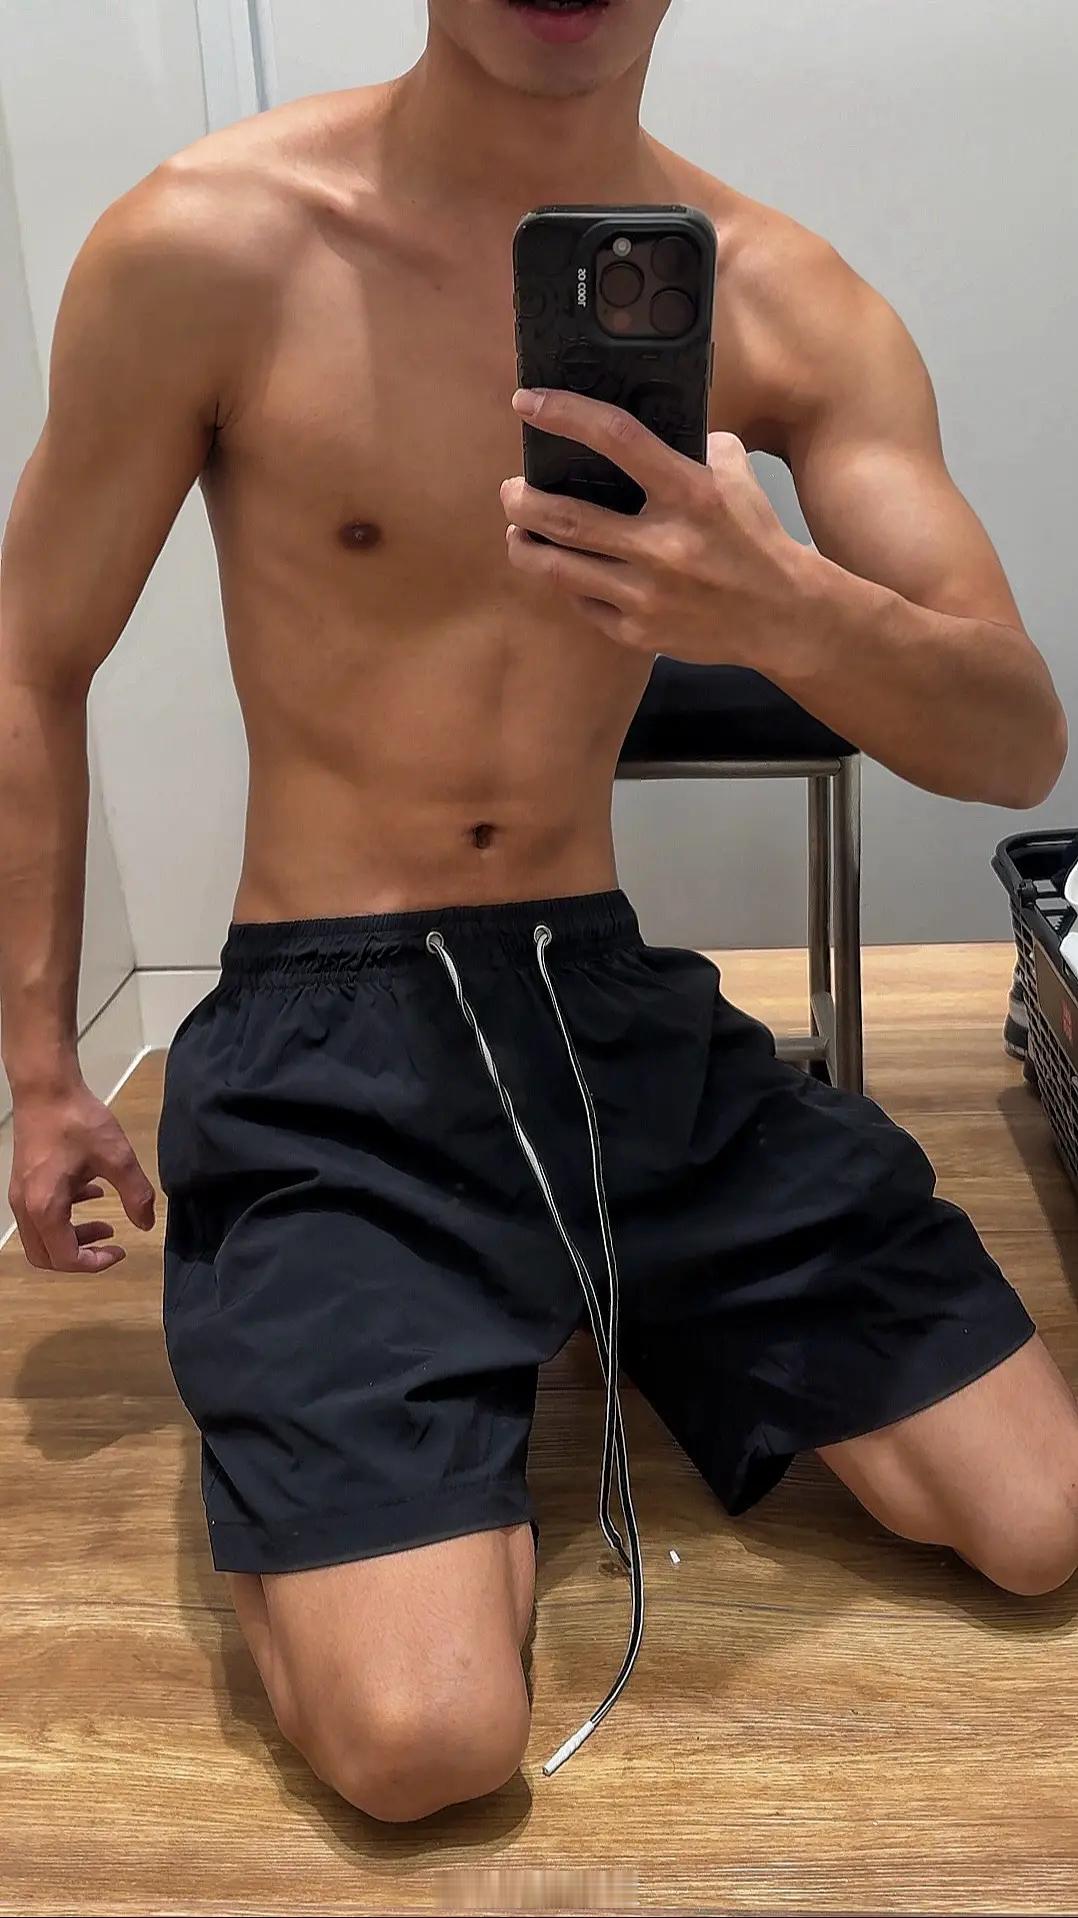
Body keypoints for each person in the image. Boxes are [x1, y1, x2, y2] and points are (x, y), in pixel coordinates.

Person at [0, 0, 1073, 1823]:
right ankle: (398, 1341)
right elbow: (33, 655)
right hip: (328, 1029)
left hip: (603, 1005)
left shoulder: (786, 300)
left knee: (1039, 1519)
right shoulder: (206, 244)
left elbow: (1012, 738)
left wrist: (781, 611)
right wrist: (39, 1067)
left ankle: (569, 1283)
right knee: (426, 1739)